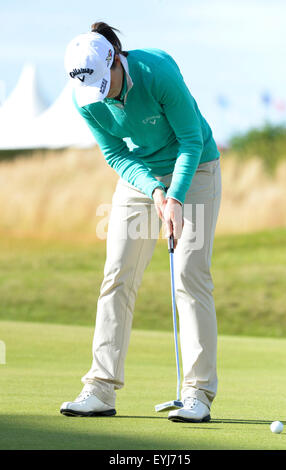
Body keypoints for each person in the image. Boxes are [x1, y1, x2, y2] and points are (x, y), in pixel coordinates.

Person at [60, 22, 222, 423]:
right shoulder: (87, 99)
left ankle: (197, 393)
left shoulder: (157, 72)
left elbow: (191, 140)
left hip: (196, 170)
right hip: (140, 178)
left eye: (106, 83)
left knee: (188, 274)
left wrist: (177, 198)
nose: (104, 95)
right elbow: (115, 155)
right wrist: (155, 192)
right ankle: (100, 388)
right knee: (117, 274)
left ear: (116, 60)